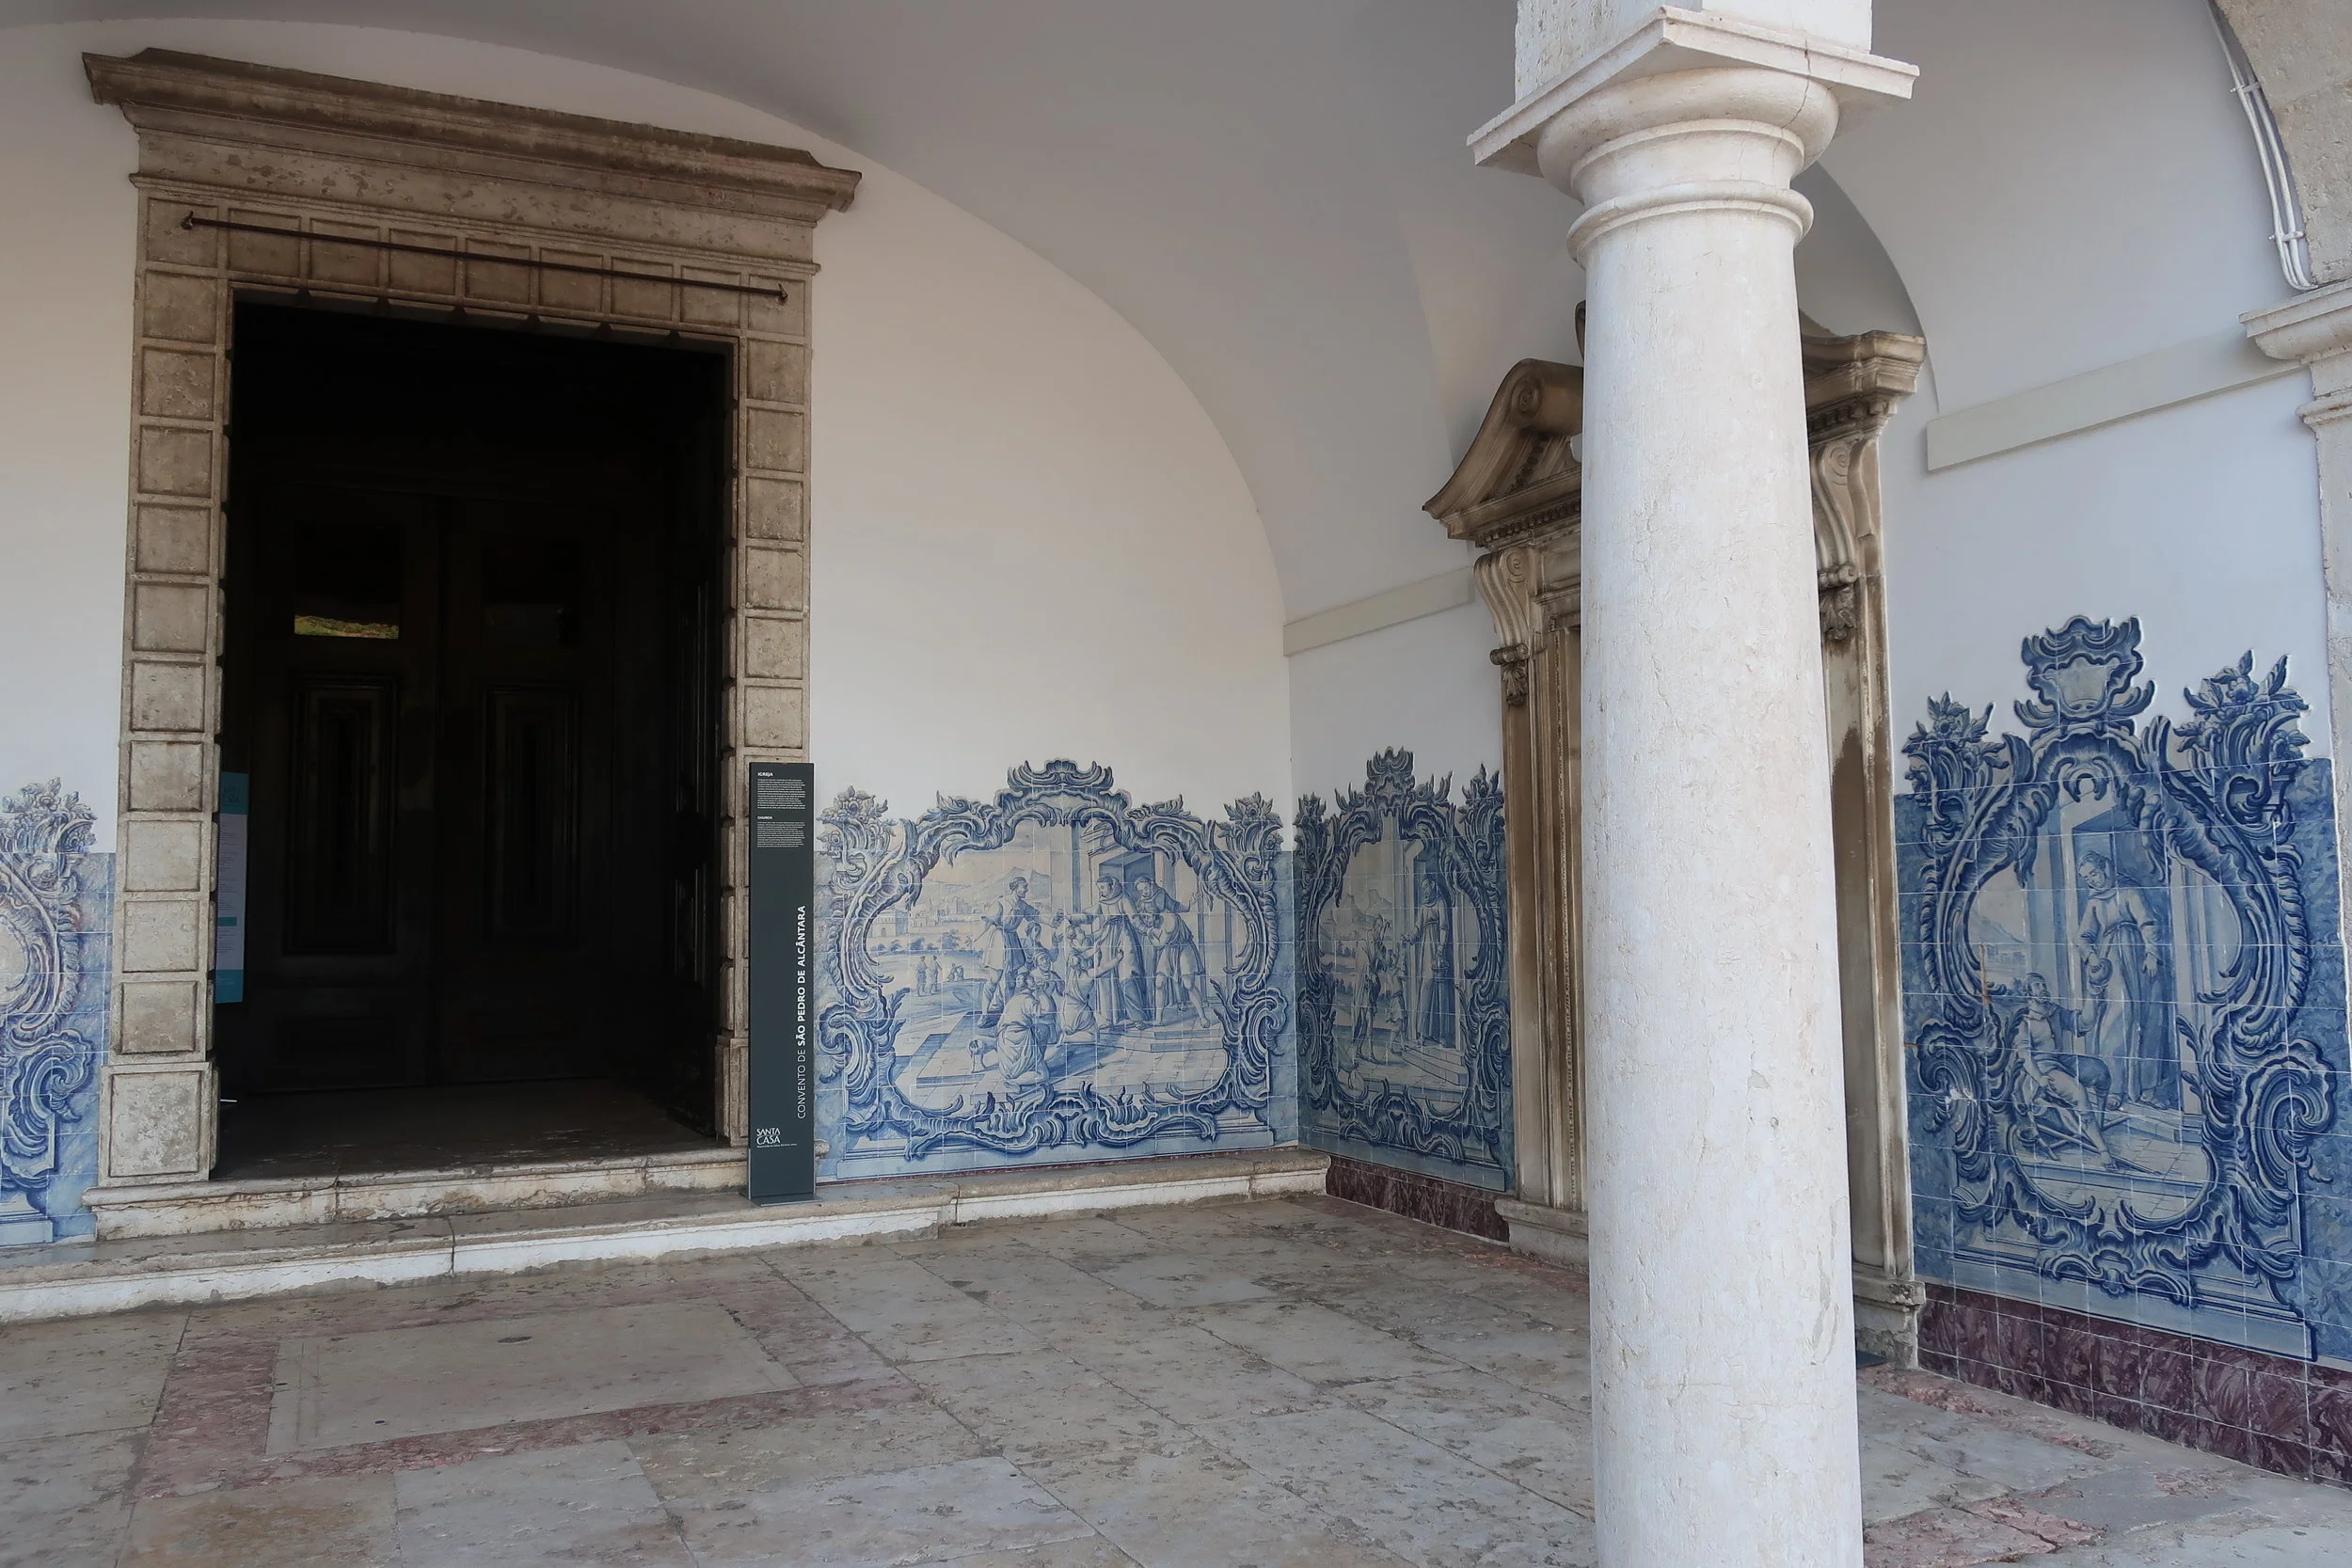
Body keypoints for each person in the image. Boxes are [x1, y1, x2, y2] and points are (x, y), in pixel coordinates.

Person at [2075, 850, 2174, 1110]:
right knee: (2114, 1023)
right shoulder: (2095, 902)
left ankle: (2148, 1090)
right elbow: (2083, 936)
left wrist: (2152, 953)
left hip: (2140, 961)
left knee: (2150, 1020)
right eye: (2087, 878)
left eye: (2094, 874)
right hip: (2112, 963)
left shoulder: (2129, 890)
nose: (2092, 881)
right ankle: (2114, 1087)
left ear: (2105, 868)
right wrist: (2092, 956)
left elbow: (2149, 923)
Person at [1135, 875, 1207, 1024]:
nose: (1144, 893)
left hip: (1181, 947)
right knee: (1159, 983)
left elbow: (1160, 943)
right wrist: (1149, 931)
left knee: (1189, 984)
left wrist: (1190, 903)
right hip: (1168, 949)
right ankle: (1158, 1019)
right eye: (1141, 891)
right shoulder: (1147, 914)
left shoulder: (1169, 920)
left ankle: (1202, 1017)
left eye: (1146, 888)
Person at [977, 876, 1042, 1028]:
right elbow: (987, 922)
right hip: (999, 940)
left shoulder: (1022, 905)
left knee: (1011, 982)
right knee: (994, 980)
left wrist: (1052, 922)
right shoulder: (1001, 902)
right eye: (1024, 887)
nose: (1026, 890)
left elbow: (1036, 916)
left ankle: (1007, 1016)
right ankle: (984, 1015)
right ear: (1015, 887)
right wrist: (976, 938)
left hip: (1012, 939)